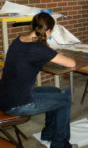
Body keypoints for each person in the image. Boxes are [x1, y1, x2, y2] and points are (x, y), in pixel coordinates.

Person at [0, 12, 78, 148]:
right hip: (18, 104)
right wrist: (53, 53)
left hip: (6, 96)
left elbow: (29, 59)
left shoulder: (18, 40)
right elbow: (71, 63)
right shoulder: (39, 49)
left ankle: (47, 134)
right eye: (51, 32)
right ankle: (60, 145)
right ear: (47, 31)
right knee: (65, 100)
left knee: (55, 91)